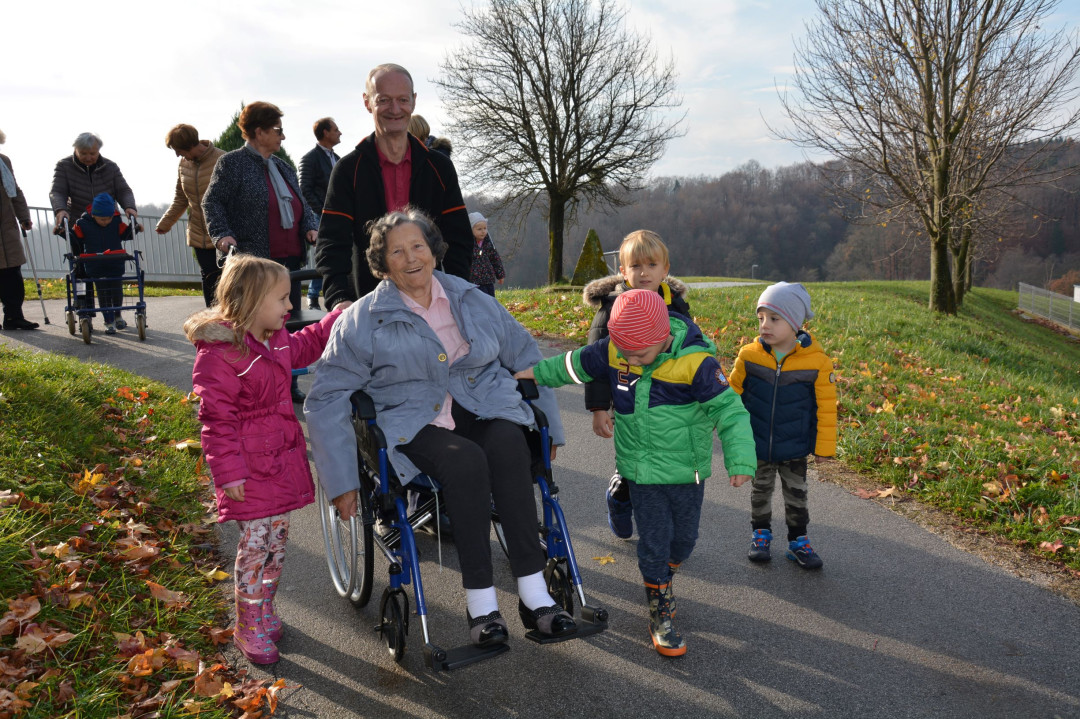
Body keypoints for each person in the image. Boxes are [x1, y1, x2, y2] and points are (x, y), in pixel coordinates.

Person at [305, 207, 576, 648]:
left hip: (482, 403)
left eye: (418, 246)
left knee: (510, 444)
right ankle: (482, 604)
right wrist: (341, 481)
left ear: (433, 250)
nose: (411, 258)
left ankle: (534, 593)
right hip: (413, 419)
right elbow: (327, 397)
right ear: (382, 263)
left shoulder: (470, 297)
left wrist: (553, 430)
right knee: (466, 462)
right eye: (397, 251)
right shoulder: (361, 319)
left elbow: (526, 355)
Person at [515, 288, 755, 656]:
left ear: (663, 337)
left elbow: (729, 411)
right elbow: (574, 364)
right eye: (624, 353)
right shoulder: (617, 349)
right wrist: (534, 374)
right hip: (641, 472)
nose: (631, 360)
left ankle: (655, 567)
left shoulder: (697, 363)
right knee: (655, 544)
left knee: (684, 542)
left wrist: (739, 460)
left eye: (640, 354)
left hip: (686, 471)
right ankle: (659, 603)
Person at [184, 254, 342, 664]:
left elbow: (306, 344)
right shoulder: (219, 355)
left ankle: (263, 609)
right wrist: (228, 473)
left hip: (279, 464)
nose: (290, 307)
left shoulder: (276, 338)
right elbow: (216, 421)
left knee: (276, 544)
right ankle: (246, 623)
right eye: (282, 299)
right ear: (253, 302)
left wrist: (333, 320)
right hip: (249, 473)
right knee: (254, 548)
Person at [314, 63, 472, 312]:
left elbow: (459, 239)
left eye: (402, 99)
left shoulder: (439, 168)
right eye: (384, 100)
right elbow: (332, 243)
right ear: (367, 103)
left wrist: (459, 291)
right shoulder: (347, 170)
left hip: (433, 304)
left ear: (414, 101)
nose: (395, 109)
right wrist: (338, 297)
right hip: (369, 307)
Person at [202, 101, 319, 403]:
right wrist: (222, 235)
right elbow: (211, 202)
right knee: (257, 326)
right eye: (277, 130)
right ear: (258, 131)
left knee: (286, 323)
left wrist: (310, 225)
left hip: (289, 261)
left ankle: (287, 382)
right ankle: (253, 383)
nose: (283, 136)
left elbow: (302, 204)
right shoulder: (232, 164)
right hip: (255, 262)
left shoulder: (283, 166)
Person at [581, 230, 690, 539]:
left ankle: (655, 521)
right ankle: (620, 497)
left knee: (663, 460)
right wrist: (599, 407)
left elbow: (689, 350)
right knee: (635, 460)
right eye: (636, 266)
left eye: (652, 265)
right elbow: (595, 362)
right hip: (626, 399)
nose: (644, 273)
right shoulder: (612, 308)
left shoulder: (676, 306)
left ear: (665, 269)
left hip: (666, 400)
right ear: (622, 271)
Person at [728, 282, 837, 570]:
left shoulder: (817, 362)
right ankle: (760, 534)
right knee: (760, 490)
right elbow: (729, 396)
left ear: (794, 323)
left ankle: (798, 541)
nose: (765, 325)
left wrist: (824, 448)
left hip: (795, 445)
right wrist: (727, 432)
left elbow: (826, 409)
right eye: (761, 318)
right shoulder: (749, 356)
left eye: (774, 319)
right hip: (758, 442)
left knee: (797, 495)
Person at [49, 132, 138, 313]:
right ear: (76, 150)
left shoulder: (110, 167)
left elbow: (123, 190)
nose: (88, 157)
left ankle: (114, 308)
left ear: (98, 151)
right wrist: (60, 210)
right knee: (80, 269)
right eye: (84, 153)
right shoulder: (64, 166)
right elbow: (57, 191)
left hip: (108, 222)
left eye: (93, 153)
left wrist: (129, 207)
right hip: (80, 225)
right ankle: (84, 306)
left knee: (110, 266)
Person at [156, 124, 226, 307]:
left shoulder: (223, 159)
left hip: (223, 233)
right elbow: (181, 198)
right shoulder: (183, 165)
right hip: (198, 233)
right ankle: (212, 324)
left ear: (189, 146)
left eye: (178, 150)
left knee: (228, 281)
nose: (177, 155)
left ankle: (235, 326)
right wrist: (165, 222)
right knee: (209, 278)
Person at [71, 193, 135, 334]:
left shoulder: (116, 221)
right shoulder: (83, 223)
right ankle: (108, 320)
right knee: (103, 293)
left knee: (117, 290)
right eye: (102, 219)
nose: (106, 221)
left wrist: (135, 228)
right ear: (93, 215)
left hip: (115, 263)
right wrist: (61, 231)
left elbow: (125, 234)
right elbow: (75, 238)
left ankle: (118, 314)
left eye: (109, 218)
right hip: (95, 264)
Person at [298, 117, 342, 310]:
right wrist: (321, 211)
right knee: (323, 254)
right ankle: (313, 296)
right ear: (325, 132)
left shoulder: (339, 159)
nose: (340, 133)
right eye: (336, 129)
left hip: (339, 216)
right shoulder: (310, 158)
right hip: (320, 216)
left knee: (337, 254)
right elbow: (304, 189)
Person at [0, 129, 38, 330]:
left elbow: (14, 190)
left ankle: (14, 317)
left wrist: (24, 217)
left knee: (13, 275)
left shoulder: (3, 161)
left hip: (7, 229)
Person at [467, 212, 505, 297]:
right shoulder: (468, 245)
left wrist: (500, 274)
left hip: (488, 279)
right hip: (474, 282)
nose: (483, 231)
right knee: (480, 302)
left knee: (491, 299)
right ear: (471, 229)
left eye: (485, 228)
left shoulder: (488, 243)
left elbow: (495, 259)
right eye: (479, 229)